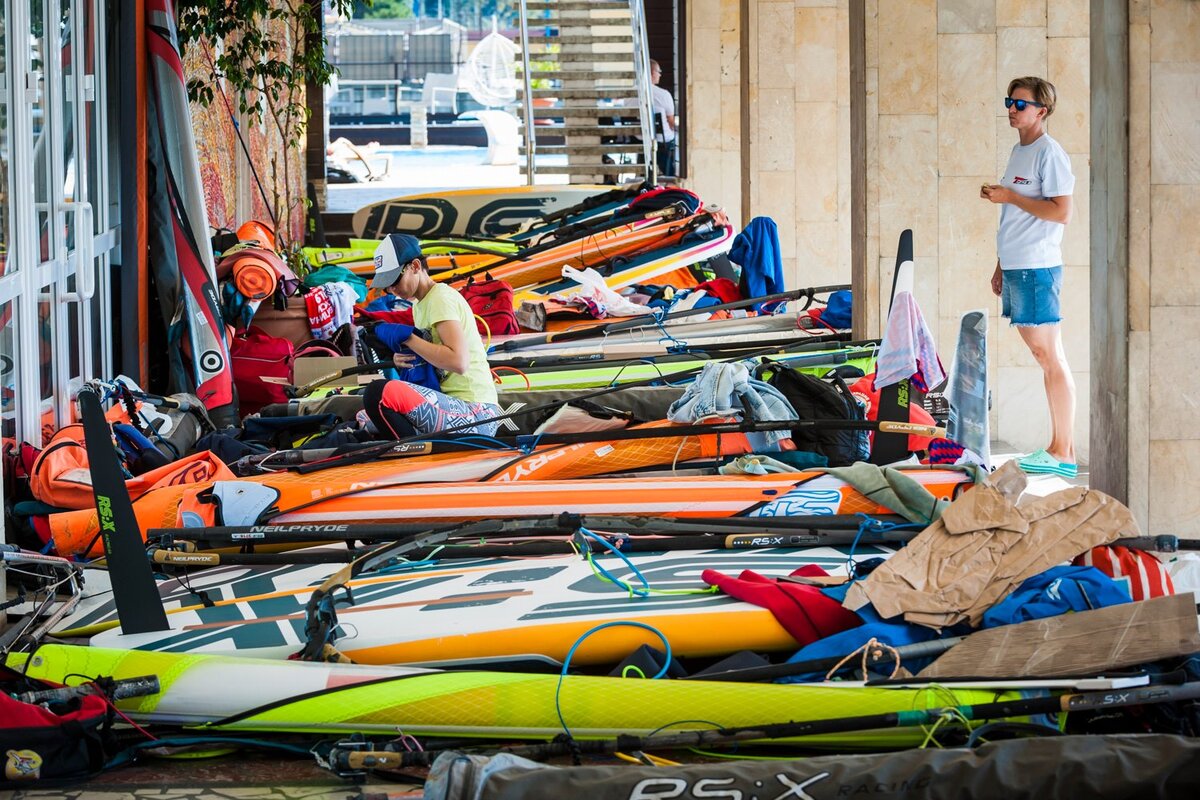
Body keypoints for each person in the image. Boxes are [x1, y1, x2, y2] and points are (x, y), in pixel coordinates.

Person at [981, 76, 1076, 478]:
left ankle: (1063, 452)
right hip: (1018, 265)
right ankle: (1060, 449)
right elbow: (1014, 218)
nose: (1012, 109)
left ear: (1042, 111)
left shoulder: (1049, 153)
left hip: (1037, 267)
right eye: (1010, 102)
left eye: (1021, 104)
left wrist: (1010, 196)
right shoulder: (1019, 150)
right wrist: (1000, 264)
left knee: (1048, 356)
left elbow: (1061, 212)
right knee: (1047, 357)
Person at [362, 234, 501, 439]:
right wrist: (405, 357)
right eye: (386, 286)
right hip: (452, 405)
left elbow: (458, 362)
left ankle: (412, 451)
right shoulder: (419, 305)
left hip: (477, 412)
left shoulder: (440, 298)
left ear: (415, 266)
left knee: (378, 394)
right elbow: (434, 355)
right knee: (364, 416)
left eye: (394, 280)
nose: (391, 290)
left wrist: (408, 338)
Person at [648, 59, 677, 178]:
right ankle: (670, 174)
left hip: (639, 140)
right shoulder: (663, 94)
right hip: (661, 143)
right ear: (652, 73)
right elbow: (671, 122)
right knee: (677, 138)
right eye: (659, 72)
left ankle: (648, 172)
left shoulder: (631, 94)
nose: (660, 75)